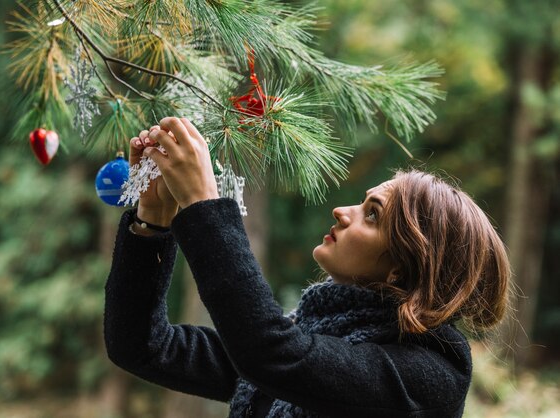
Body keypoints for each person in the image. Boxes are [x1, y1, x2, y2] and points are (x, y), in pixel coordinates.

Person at [104, 117, 510, 418]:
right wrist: (153, 219)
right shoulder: (312, 333)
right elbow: (143, 346)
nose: (341, 211)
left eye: (372, 215)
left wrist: (203, 205)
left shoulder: (430, 375)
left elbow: (268, 350)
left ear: (402, 268)